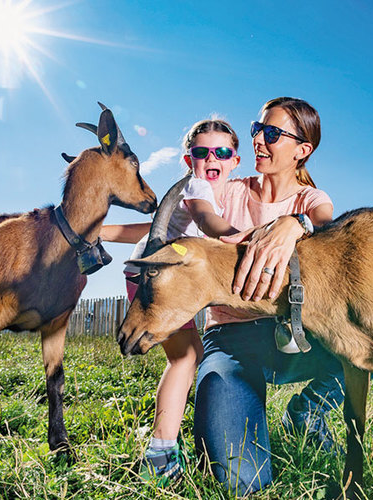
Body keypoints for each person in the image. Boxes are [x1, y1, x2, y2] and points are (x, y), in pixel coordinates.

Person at [192, 97, 345, 495]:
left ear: (302, 150)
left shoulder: (310, 200)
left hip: (296, 336)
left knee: (365, 347)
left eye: (272, 133)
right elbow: (192, 213)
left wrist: (295, 223)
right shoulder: (226, 191)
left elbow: (334, 229)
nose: (258, 139)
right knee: (240, 479)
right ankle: (242, 405)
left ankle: (309, 409)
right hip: (230, 339)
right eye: (257, 129)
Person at [100, 118, 242, 482]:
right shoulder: (197, 189)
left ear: (235, 160)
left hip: (161, 274)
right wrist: (248, 238)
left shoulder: (214, 194)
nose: (212, 158)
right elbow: (207, 223)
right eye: (201, 152)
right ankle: (160, 455)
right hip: (156, 279)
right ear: (188, 159)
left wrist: (100, 231)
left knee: (190, 354)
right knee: (186, 357)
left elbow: (151, 232)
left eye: (222, 152)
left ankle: (164, 447)